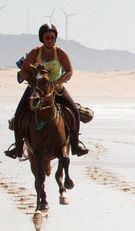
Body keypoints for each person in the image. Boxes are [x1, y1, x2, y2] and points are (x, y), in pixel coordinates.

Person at [5, 23, 88, 158]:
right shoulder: (35, 53)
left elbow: (69, 72)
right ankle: (18, 147)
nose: (50, 40)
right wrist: (32, 82)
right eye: (47, 37)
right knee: (19, 113)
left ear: (55, 39)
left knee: (74, 112)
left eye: (52, 37)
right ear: (42, 39)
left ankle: (75, 144)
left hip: (56, 89)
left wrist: (57, 82)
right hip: (36, 89)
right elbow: (24, 71)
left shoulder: (60, 53)